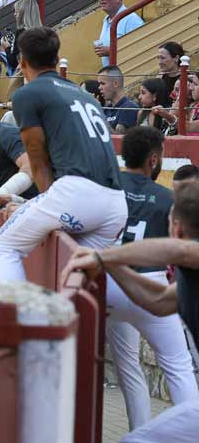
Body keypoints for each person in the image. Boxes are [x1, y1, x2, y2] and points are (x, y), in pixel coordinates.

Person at [62, 180, 199, 443]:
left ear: (177, 227)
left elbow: (180, 250)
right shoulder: (189, 277)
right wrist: (111, 267)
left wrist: (103, 257)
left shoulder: (188, 252)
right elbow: (158, 300)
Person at [0, 27, 126, 283]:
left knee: (2, 246)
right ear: (56, 58)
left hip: (75, 194)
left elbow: (38, 162)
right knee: (91, 277)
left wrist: (40, 205)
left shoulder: (27, 94)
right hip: (115, 202)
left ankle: (25, 311)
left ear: (22, 62)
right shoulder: (86, 96)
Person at [94, 0, 144, 67]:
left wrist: (110, 51)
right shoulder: (106, 20)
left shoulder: (131, 19)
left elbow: (141, 47)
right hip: (111, 73)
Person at [96, 65, 137, 134]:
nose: (99, 87)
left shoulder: (129, 107)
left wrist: (98, 113)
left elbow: (118, 138)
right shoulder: (107, 108)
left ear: (115, 84)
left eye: (102, 83)